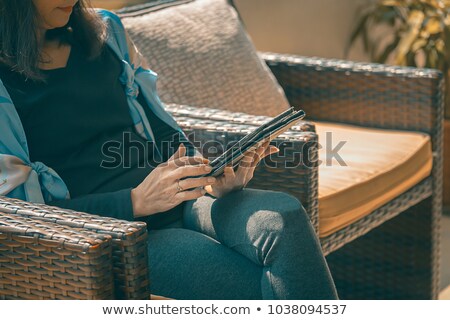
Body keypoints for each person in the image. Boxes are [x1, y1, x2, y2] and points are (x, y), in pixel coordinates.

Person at [0, 0, 338, 299]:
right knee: (256, 282)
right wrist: (137, 200)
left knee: (283, 217)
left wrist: (210, 176)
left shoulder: (106, 34)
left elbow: (162, 132)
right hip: (120, 232)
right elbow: (23, 215)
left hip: (182, 199)